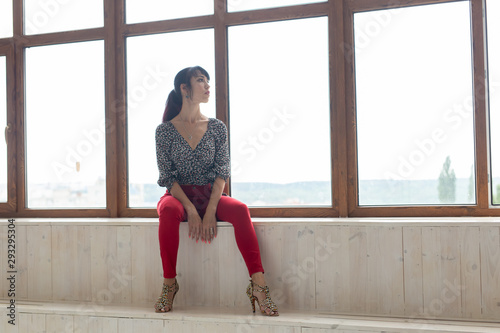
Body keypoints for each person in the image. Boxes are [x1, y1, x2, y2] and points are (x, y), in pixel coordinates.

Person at [154, 66, 279, 316]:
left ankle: (259, 285)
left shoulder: (217, 127)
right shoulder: (164, 131)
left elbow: (223, 170)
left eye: (208, 81)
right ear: (184, 88)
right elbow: (167, 176)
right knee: (168, 211)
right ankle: (169, 283)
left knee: (241, 209)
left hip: (211, 195)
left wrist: (210, 209)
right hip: (178, 196)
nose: (207, 86)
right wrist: (190, 208)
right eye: (201, 81)